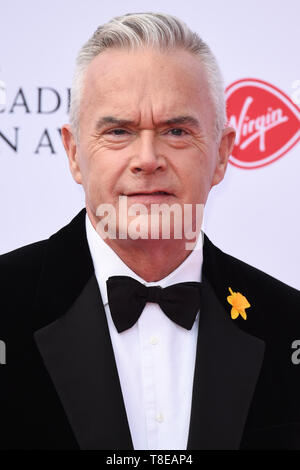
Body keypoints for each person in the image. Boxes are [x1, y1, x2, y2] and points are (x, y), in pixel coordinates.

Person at [1, 12, 300, 451]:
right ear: (74, 154)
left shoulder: (287, 322)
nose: (147, 159)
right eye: (118, 131)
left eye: (176, 131)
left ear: (220, 155)